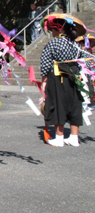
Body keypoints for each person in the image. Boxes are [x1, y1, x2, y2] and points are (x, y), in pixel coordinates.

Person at [40, 14, 86, 147]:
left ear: (60, 30)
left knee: (58, 104)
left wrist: (44, 80)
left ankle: (59, 138)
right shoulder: (76, 44)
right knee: (74, 105)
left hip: (58, 76)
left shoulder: (54, 43)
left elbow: (46, 62)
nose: (51, 32)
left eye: (53, 29)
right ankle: (74, 137)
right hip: (75, 76)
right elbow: (83, 61)